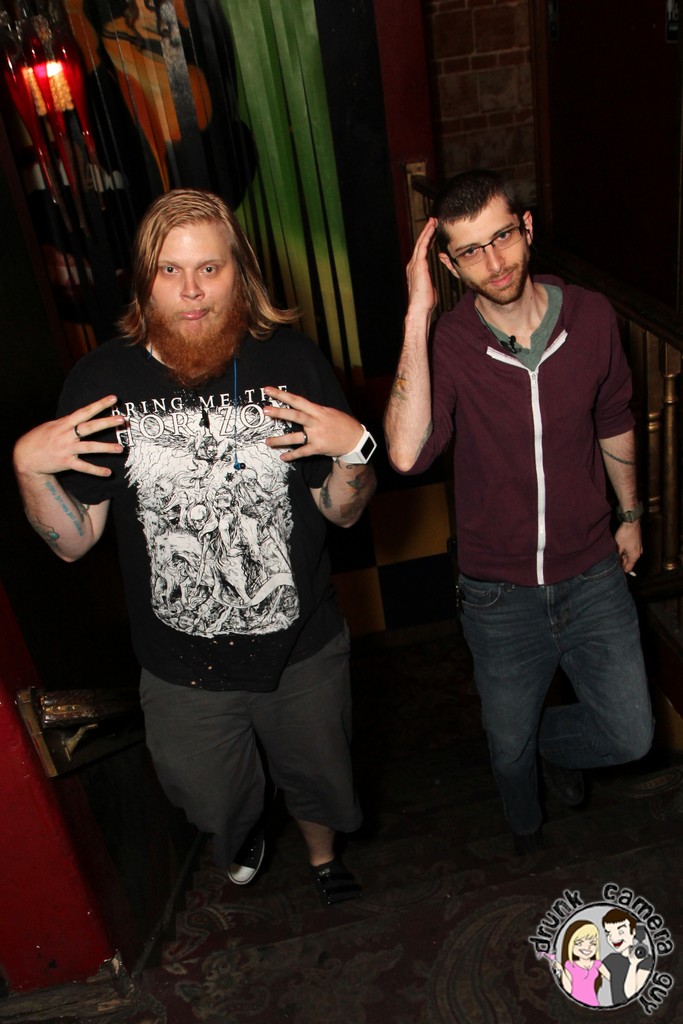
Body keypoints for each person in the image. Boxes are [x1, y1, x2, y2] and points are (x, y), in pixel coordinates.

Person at [13, 188, 377, 904]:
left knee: (322, 780)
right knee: (207, 798)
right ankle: (242, 829)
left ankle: (321, 858)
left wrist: (355, 449)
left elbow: (340, 513)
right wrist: (29, 467)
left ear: (240, 272)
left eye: (209, 269)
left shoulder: (292, 362)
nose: (190, 292)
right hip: (179, 664)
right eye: (170, 271)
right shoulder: (101, 382)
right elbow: (73, 543)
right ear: (143, 280)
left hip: (300, 643)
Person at [383, 168, 653, 855]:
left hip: (592, 573)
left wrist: (630, 515)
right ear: (449, 265)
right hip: (497, 595)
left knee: (631, 735)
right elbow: (407, 454)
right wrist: (417, 314)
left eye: (501, 236)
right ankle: (525, 831)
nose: (494, 261)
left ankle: (552, 749)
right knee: (506, 752)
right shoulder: (448, 343)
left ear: (526, 228)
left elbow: (614, 419)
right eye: (470, 251)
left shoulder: (591, 317)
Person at [550, 920, 610, 1007]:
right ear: (570, 944)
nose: (587, 947)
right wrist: (561, 970)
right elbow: (568, 990)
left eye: (593, 943)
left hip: (594, 1004)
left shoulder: (597, 964)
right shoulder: (569, 965)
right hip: (574, 1004)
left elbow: (613, 979)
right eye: (579, 943)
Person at [601, 909, 653, 1004]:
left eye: (620, 932)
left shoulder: (646, 960)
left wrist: (633, 964)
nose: (613, 938)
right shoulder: (611, 959)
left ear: (633, 931)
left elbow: (631, 994)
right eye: (608, 933)